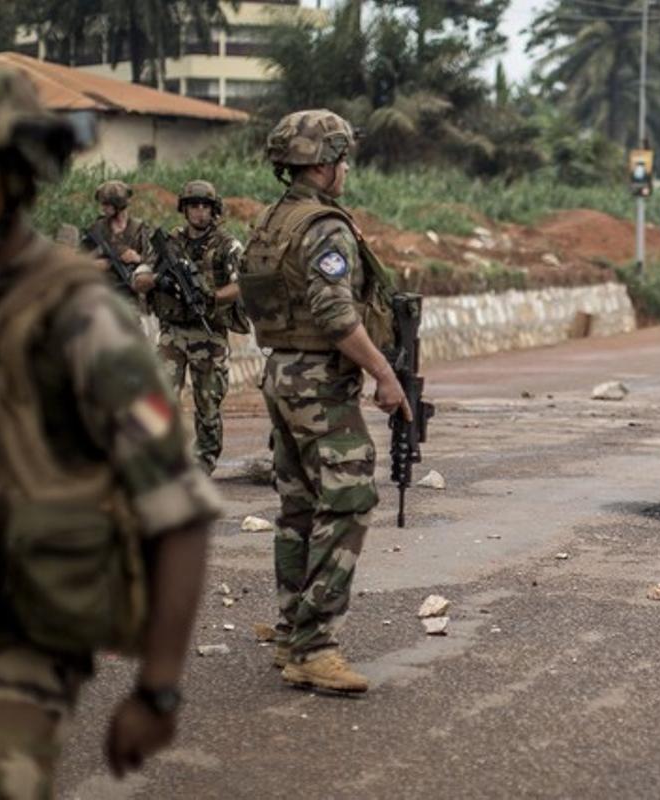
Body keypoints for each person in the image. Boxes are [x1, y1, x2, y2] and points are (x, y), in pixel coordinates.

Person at [0, 61, 219, 797]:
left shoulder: (77, 317)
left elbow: (176, 508)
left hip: (19, 644)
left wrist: (158, 688)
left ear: (17, 170)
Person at [239, 109, 409, 692]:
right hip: (316, 381)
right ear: (322, 162)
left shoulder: (273, 219)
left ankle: (291, 634)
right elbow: (336, 312)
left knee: (298, 509)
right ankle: (314, 645)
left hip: (281, 371)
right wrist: (384, 373)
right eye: (340, 158)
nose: (344, 168)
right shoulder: (325, 226)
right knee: (350, 498)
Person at [132, 180, 246, 475]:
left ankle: (204, 460)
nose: (198, 212)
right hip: (172, 332)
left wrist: (212, 296)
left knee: (208, 401)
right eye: (193, 205)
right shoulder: (168, 243)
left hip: (209, 334)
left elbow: (241, 284)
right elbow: (139, 278)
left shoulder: (227, 244)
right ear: (184, 209)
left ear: (213, 210)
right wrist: (162, 280)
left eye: (204, 206)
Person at [81, 179, 153, 300]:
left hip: (131, 295)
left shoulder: (140, 229)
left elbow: (153, 261)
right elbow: (78, 258)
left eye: (106, 204)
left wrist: (138, 259)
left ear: (118, 205)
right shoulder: (97, 228)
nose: (102, 208)